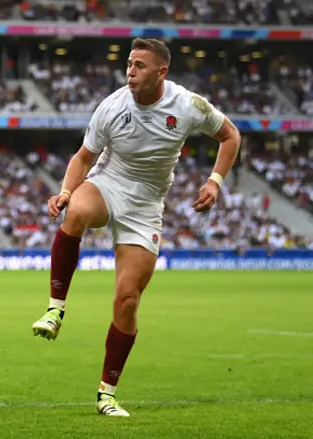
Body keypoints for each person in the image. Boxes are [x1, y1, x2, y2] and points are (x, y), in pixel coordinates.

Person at [31, 38, 241, 417]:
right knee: (75, 212)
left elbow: (231, 136)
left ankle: (106, 395)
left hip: (146, 206)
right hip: (109, 182)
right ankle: (54, 310)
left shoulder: (188, 105)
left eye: (140, 65)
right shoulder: (112, 106)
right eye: (129, 63)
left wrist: (214, 181)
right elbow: (83, 158)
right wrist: (64, 191)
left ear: (162, 71)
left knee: (127, 299)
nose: (130, 70)